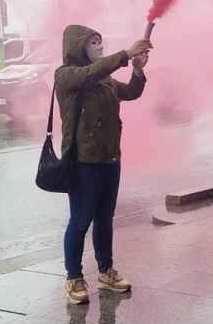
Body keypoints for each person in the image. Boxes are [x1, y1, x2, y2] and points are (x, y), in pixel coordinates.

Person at [55, 26, 152, 304]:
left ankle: (106, 271)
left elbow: (131, 92)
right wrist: (124, 54)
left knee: (105, 218)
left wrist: (136, 69)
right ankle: (73, 277)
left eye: (100, 42)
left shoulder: (105, 79)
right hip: (83, 161)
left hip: (110, 157)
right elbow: (88, 73)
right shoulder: (66, 75)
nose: (100, 47)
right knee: (80, 220)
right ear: (78, 47)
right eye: (94, 43)